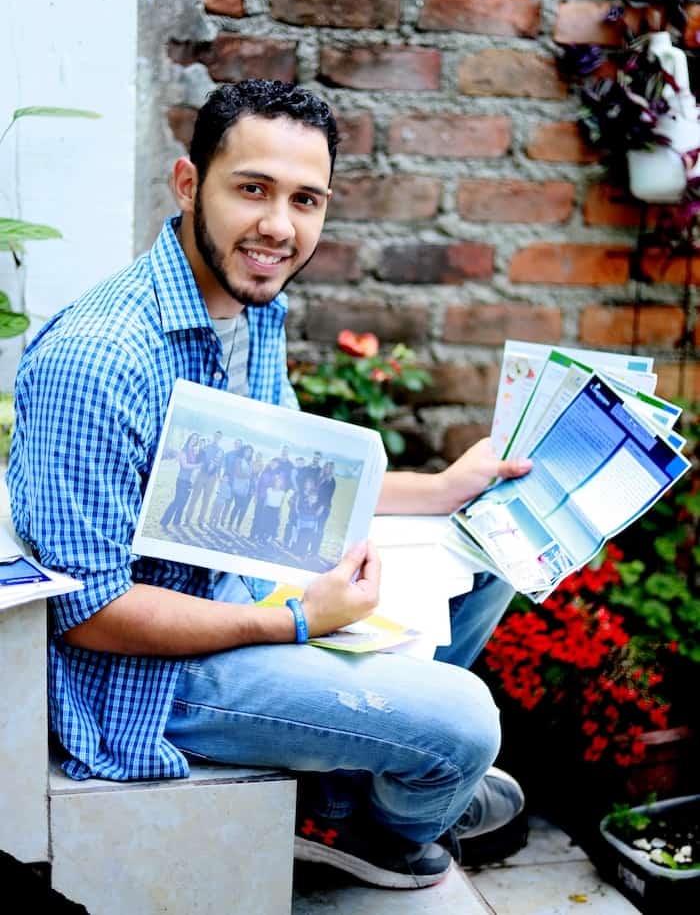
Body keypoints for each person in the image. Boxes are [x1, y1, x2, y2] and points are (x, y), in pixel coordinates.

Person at [7, 79, 532, 891]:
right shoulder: (101, 358)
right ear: (189, 185)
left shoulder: (251, 305)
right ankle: (375, 825)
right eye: (252, 189)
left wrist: (442, 491)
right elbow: (89, 614)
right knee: (465, 724)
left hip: (243, 577)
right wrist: (295, 620)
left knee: (492, 543)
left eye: (305, 199)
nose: (279, 227)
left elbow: (298, 477)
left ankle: (358, 785)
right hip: (151, 680)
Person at [160, 432, 201, 528]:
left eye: (196, 439)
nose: (194, 441)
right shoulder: (184, 450)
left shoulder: (194, 451)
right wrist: (197, 465)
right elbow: (184, 465)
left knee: (183, 502)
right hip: (182, 480)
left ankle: (176, 522)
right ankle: (164, 521)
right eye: (193, 438)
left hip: (189, 481)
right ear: (189, 439)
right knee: (177, 500)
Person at [185, 429, 224, 527]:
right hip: (202, 475)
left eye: (219, 437)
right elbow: (198, 459)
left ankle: (201, 520)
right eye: (216, 436)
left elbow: (219, 466)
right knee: (194, 497)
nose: (217, 438)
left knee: (206, 500)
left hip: (212, 478)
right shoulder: (205, 447)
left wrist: (218, 478)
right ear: (213, 435)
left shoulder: (221, 451)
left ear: (220, 438)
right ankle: (187, 519)